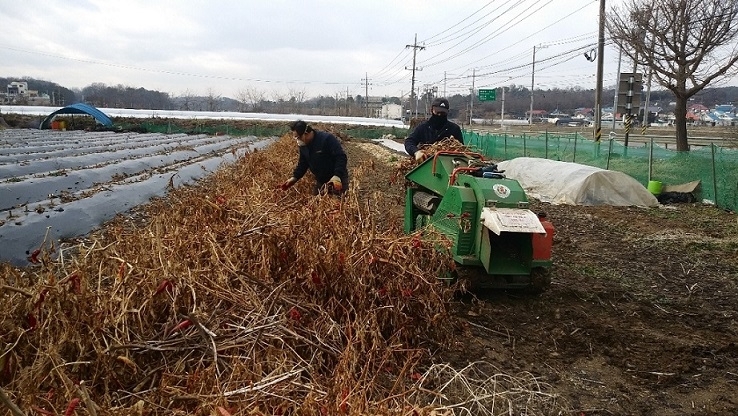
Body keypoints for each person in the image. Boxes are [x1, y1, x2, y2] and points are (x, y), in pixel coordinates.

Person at [280, 120, 349, 195]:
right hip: (321, 180)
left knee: (338, 203)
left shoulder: (326, 139)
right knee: (316, 202)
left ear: (306, 133)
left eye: (299, 137)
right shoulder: (303, 145)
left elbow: (341, 157)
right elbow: (303, 163)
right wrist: (294, 177)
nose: (298, 141)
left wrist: (337, 175)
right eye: (296, 138)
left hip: (337, 179)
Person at [404, 97, 464, 162]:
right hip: (425, 163)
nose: (439, 115)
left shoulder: (454, 129)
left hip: (448, 164)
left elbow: (461, 149)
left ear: (447, 112)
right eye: (437, 112)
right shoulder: (423, 127)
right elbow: (409, 141)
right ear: (431, 110)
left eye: (443, 113)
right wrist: (416, 152)